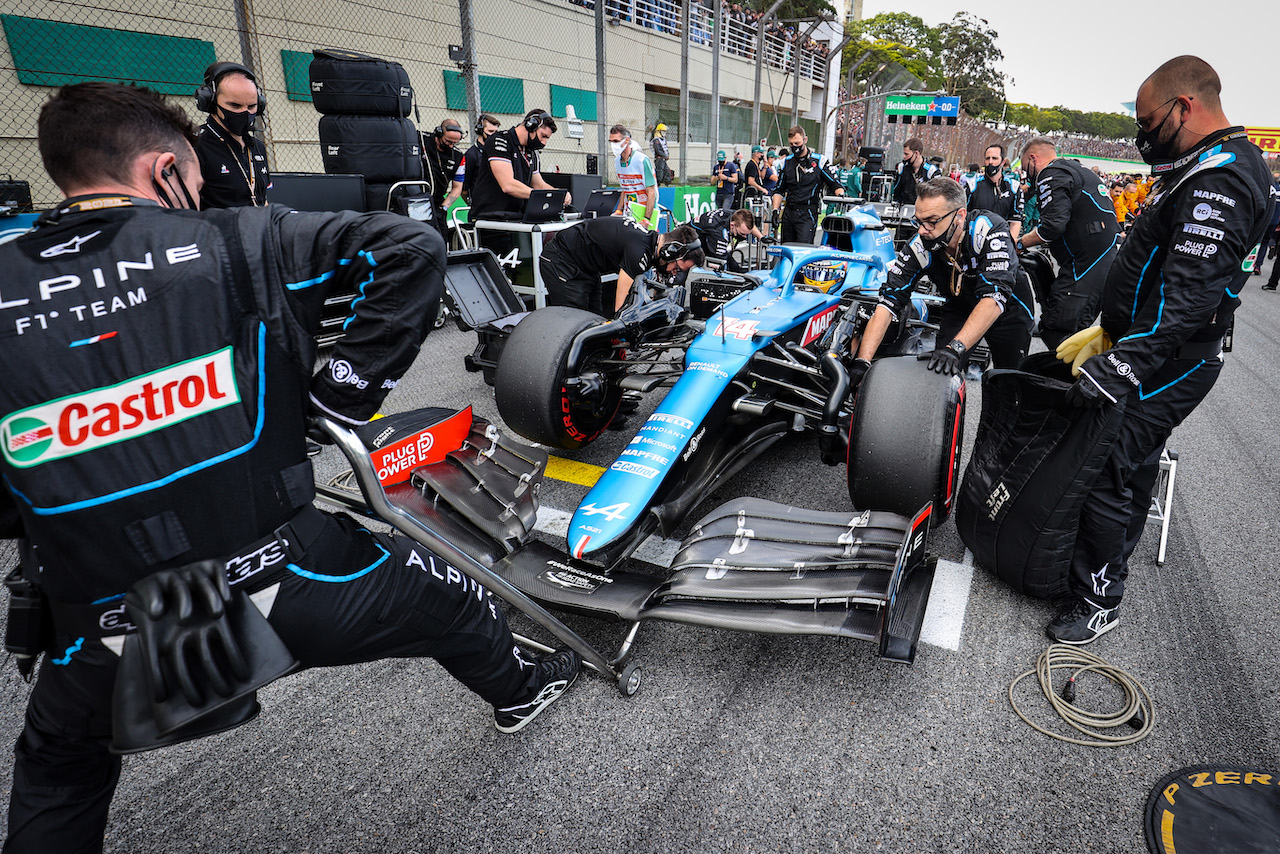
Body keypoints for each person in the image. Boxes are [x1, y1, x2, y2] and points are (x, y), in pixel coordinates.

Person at [0, 82, 581, 853]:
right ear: (163, 171)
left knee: (57, 777)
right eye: (195, 183)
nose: (200, 194)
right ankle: (519, 691)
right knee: (461, 596)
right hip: (279, 579)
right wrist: (338, 396)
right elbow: (413, 248)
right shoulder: (239, 239)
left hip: (94, 622)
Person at [1048, 55, 1274, 644]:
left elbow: (1188, 301)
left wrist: (1122, 364)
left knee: (1108, 463)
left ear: (1185, 107)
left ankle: (1097, 599)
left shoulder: (1222, 178)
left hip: (1173, 358)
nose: (1143, 135)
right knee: (1134, 459)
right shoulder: (1196, 163)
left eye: (1149, 122)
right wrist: (1112, 328)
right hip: (1151, 346)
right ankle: (1107, 555)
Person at [855, 177, 1034, 379]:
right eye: (918, 221)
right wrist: (862, 363)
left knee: (1008, 382)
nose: (922, 230)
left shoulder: (988, 229)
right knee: (939, 373)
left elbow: (994, 298)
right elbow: (887, 303)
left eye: (931, 221)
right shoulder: (919, 244)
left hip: (1008, 309)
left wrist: (956, 348)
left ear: (960, 215)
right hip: (961, 308)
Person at [1016, 137, 1120, 348]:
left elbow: (1052, 227)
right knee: (1063, 324)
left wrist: (1018, 243)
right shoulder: (1076, 169)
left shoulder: (1050, 173)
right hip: (1100, 258)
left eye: (1025, 165)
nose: (1026, 173)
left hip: (1088, 263)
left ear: (1033, 158)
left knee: (1058, 329)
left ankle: (1070, 378)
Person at [539, 220, 703, 316]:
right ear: (669, 253)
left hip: (586, 266)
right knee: (574, 325)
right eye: (677, 267)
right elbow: (621, 309)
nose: (674, 272)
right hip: (561, 260)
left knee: (594, 320)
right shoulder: (638, 251)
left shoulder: (648, 244)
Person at [469, 109, 567, 223]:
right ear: (531, 125)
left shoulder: (531, 152)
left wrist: (558, 194)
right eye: (543, 136)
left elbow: (538, 184)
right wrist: (542, 197)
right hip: (492, 218)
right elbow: (508, 185)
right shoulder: (500, 141)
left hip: (518, 217)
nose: (544, 142)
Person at [193, 61, 269, 208]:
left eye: (251, 106)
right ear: (210, 101)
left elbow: (263, 200)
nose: (245, 113)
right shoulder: (194, 145)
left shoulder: (257, 147)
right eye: (235, 105)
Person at [770, 125, 843, 244]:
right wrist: (774, 210)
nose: (795, 147)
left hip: (808, 213)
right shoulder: (786, 163)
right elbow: (779, 189)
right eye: (791, 144)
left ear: (805, 140)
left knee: (803, 249)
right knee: (786, 250)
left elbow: (835, 184)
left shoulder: (819, 161)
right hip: (789, 212)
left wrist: (841, 197)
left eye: (797, 143)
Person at [419, 117, 465, 243]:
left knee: (441, 241)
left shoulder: (458, 156)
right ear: (439, 133)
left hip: (438, 203)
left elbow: (457, 188)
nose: (451, 146)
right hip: (417, 200)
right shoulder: (421, 139)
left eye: (455, 143)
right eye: (448, 141)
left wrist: (444, 208)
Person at [967, 143, 1024, 241]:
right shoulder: (972, 186)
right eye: (987, 158)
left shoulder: (1014, 187)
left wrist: (1009, 244)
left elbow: (1015, 221)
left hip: (1001, 242)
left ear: (1003, 162)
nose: (990, 162)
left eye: (994, 158)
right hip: (976, 240)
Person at [609, 124, 658, 229]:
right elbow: (625, 188)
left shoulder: (642, 160)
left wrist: (646, 219)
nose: (613, 145)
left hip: (646, 213)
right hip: (630, 211)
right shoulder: (617, 162)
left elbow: (651, 192)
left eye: (616, 141)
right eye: (611, 141)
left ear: (626, 140)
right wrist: (619, 210)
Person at [695, 207, 766, 271]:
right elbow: (721, 260)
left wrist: (761, 237)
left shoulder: (736, 216)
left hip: (707, 231)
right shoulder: (719, 232)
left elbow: (749, 226)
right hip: (692, 240)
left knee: (735, 267)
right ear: (732, 225)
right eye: (742, 234)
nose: (744, 237)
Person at [461, 112, 500, 203]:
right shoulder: (471, 155)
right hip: (479, 202)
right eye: (490, 131)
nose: (494, 135)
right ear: (480, 131)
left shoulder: (498, 152)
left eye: (496, 132)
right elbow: (464, 186)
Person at [892, 137, 937, 205]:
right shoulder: (901, 167)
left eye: (906, 154)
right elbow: (896, 192)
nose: (903, 156)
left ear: (916, 153)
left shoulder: (931, 170)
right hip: (904, 208)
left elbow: (937, 195)